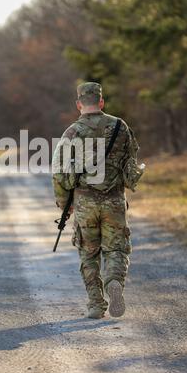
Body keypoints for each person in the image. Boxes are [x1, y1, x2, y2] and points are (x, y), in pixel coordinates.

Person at [52, 82, 144, 319]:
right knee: (116, 248)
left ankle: (96, 304)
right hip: (114, 200)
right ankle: (114, 282)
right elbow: (131, 160)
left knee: (88, 252)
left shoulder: (72, 132)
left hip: (84, 203)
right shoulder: (120, 126)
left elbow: (59, 172)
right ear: (101, 102)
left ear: (79, 104)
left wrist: (65, 205)